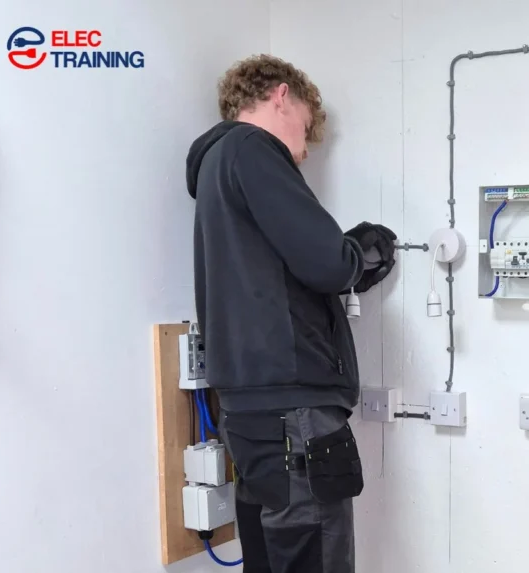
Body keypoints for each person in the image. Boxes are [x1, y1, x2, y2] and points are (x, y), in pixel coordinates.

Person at [185, 54, 396, 573]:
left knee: (270, 556)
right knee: (313, 556)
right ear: (282, 96)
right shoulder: (253, 149)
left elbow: (286, 270)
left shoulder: (216, 167)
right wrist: (360, 250)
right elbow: (327, 262)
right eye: (304, 130)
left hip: (252, 408)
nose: (302, 151)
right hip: (294, 411)